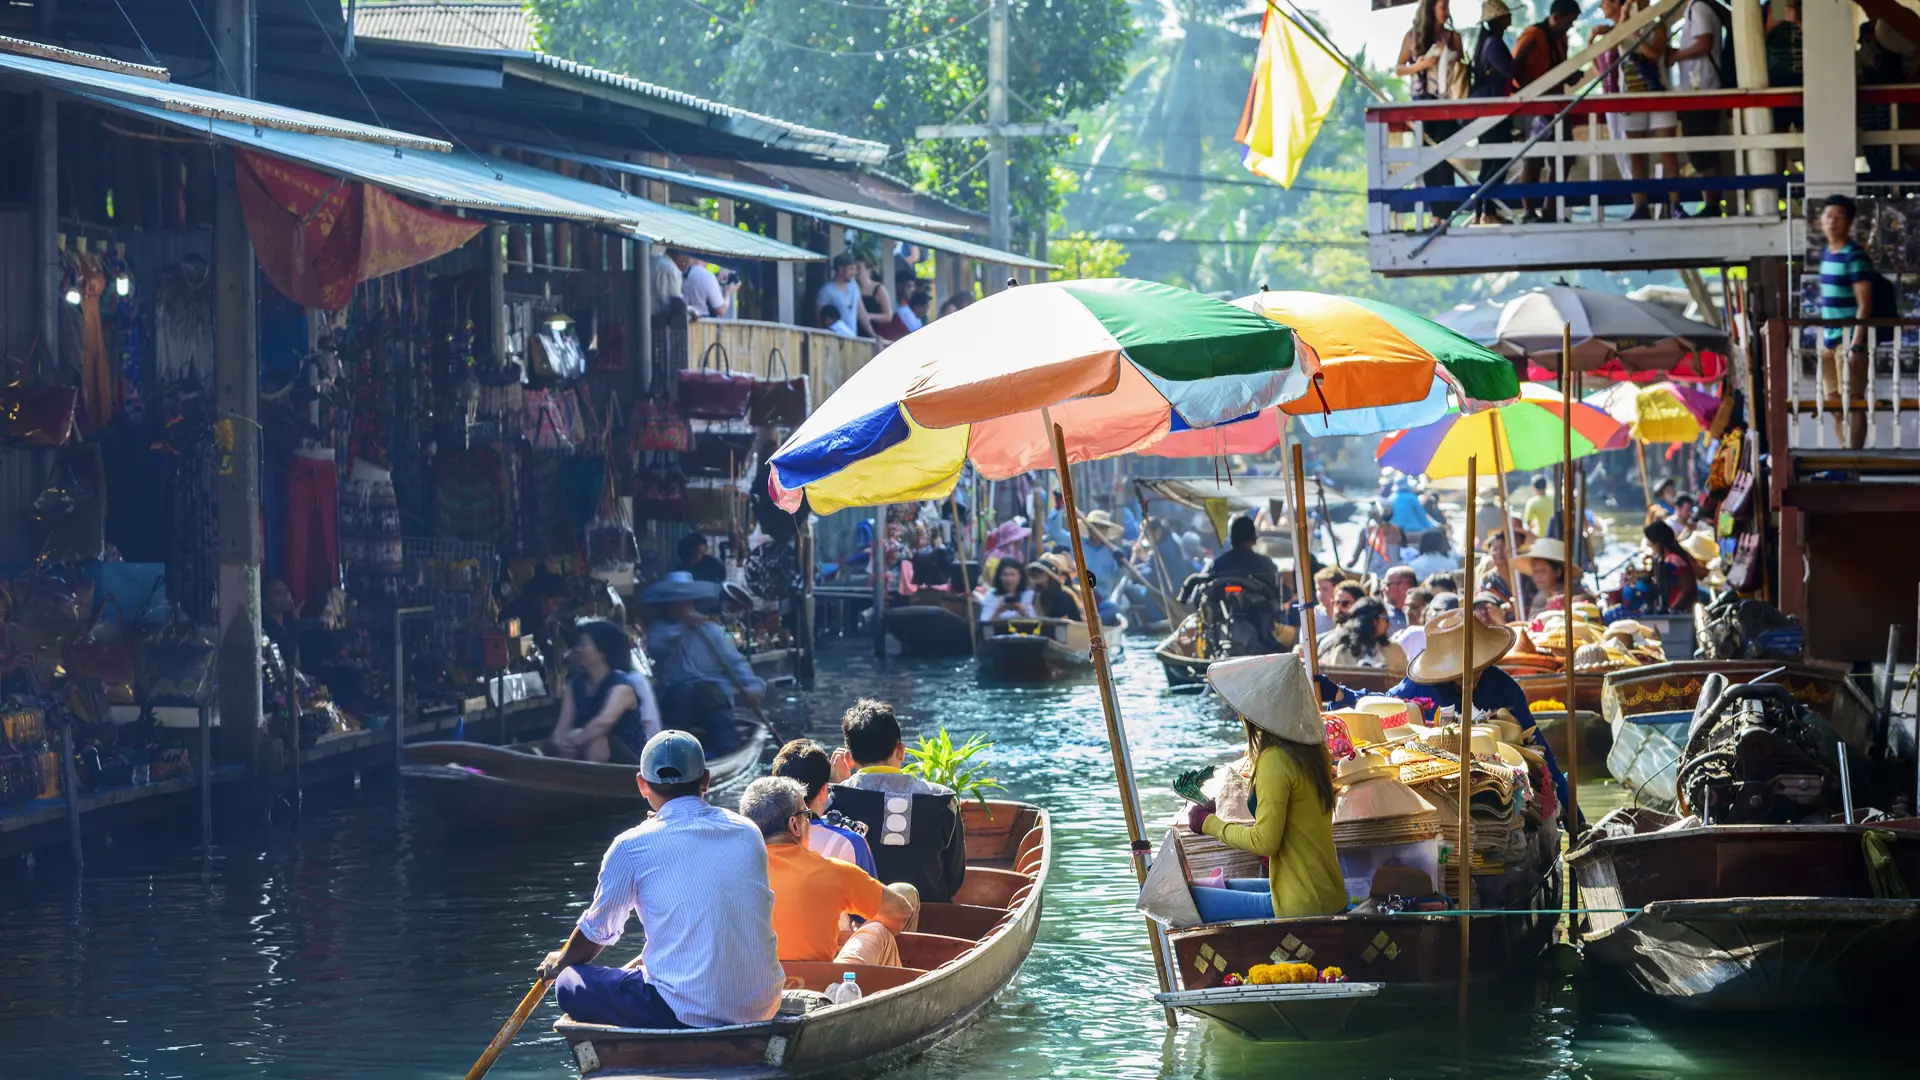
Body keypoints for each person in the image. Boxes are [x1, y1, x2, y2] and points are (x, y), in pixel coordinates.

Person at [537, 730, 783, 1030]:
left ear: (642, 785)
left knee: (569, 983)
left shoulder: (630, 845)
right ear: (705, 780)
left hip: (685, 1013)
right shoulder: (747, 831)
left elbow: (598, 933)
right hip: (762, 1005)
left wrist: (561, 962)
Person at [1319, 612, 1570, 821]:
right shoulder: (1422, 684)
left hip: (1498, 785)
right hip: (1439, 785)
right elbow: (1386, 703)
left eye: (1476, 668)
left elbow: (1539, 748)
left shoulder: (1503, 687)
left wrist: (1573, 815)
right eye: (1459, 671)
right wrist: (1340, 694)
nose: (1469, 677)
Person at [1184, 654, 1346, 922]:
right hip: (1326, 894)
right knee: (1209, 888)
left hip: (1301, 906)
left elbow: (1265, 842)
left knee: (1190, 898)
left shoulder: (1275, 759)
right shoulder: (1314, 751)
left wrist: (1208, 823)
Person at [741, 777, 920, 967]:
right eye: (808, 816)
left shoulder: (731, 874)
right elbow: (900, 912)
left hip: (754, 987)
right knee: (883, 928)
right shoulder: (833, 871)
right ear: (794, 825)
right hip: (822, 988)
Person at [826, 699, 968, 903]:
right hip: (930, 915)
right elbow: (954, 878)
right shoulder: (942, 800)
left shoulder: (833, 801)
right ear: (901, 750)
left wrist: (841, 784)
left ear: (850, 758)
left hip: (861, 920)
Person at [642, 571, 763, 755]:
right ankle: (678, 750)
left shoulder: (711, 630)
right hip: (676, 701)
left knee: (709, 693)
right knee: (682, 691)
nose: (683, 607)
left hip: (711, 700)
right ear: (667, 606)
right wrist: (683, 626)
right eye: (677, 602)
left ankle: (727, 747)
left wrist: (753, 688)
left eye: (687, 602)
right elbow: (658, 648)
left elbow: (734, 663)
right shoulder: (658, 631)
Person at [551, 618, 661, 763]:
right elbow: (562, 726)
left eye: (584, 644)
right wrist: (560, 741)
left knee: (597, 740)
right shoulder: (574, 685)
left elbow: (603, 723)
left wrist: (574, 741)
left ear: (602, 650)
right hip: (585, 749)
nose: (578, 649)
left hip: (629, 759)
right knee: (574, 736)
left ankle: (592, 784)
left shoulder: (622, 687)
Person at [1395, 0, 1466, 219]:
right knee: (1427, 159)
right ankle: (1437, 215)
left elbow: (1462, 68)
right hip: (1422, 104)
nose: (1446, 11)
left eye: (1447, 6)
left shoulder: (1453, 37)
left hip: (1448, 104)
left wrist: (1449, 56)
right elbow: (1399, 68)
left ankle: (1446, 214)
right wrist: (1421, 65)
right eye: (1442, 6)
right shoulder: (1412, 36)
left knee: (1444, 157)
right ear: (1430, 8)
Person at [1512, 0, 1581, 222]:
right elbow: (1514, 68)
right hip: (1533, 105)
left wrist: (1572, 74)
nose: (1570, 27)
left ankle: (1550, 209)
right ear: (1557, 17)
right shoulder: (1532, 35)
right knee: (1532, 160)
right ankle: (1529, 211)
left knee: (1563, 158)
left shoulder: (1560, 39)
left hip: (1556, 104)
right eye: (1569, 21)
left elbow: (1559, 67)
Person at [1817, 193, 1874, 449]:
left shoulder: (1855, 256)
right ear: (1821, 221)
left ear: (1849, 222)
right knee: (1833, 402)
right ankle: (1843, 451)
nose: (1833, 222)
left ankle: (1854, 459)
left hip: (1848, 339)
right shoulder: (1828, 255)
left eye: (1840, 218)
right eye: (1829, 216)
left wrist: (1856, 346)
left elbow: (1865, 305)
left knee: (1853, 400)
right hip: (1828, 340)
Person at [770, 738, 876, 876]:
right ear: (824, 791)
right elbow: (872, 896)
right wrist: (841, 786)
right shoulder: (852, 843)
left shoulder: (759, 839)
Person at [1672, 0, 1727, 216]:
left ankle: (1712, 204)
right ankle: (1712, 202)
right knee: (1703, 149)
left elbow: (1704, 43)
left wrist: (1676, 56)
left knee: (1701, 151)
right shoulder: (1697, 9)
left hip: (1702, 89)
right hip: (1701, 88)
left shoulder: (1698, 9)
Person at [1469, 0, 1516, 224]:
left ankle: (1483, 211)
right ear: (1499, 20)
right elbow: (1509, 69)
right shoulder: (1494, 44)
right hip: (1494, 109)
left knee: (1490, 161)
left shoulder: (1486, 43)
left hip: (1487, 109)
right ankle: (1487, 209)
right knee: (1499, 159)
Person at [1318, 597, 1409, 674]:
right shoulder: (1343, 652)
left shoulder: (1395, 649)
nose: (1389, 624)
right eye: (1385, 619)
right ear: (1372, 621)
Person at [1208, 514, 1282, 590]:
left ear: (1231, 539)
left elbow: (1203, 586)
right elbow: (1284, 593)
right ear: (1254, 539)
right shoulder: (1266, 565)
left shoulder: (1217, 564)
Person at [1644, 519, 1702, 613]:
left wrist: (1673, 608)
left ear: (1659, 543)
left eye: (1652, 543)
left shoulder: (1673, 560)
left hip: (1681, 611)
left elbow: (1686, 587)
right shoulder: (1664, 559)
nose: (1650, 546)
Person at [1513, 537, 1571, 618]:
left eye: (1543, 571)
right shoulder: (1540, 596)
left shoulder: (1571, 591)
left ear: (1558, 571)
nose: (1538, 576)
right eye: (1535, 571)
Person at [672, 250, 737, 320]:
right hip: (705, 325)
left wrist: (716, 279)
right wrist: (728, 292)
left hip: (685, 321)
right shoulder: (707, 276)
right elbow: (721, 310)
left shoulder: (682, 272)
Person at [978, 558, 1035, 623]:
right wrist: (999, 610)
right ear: (999, 576)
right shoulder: (991, 595)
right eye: (1005, 575)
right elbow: (985, 623)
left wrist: (1023, 612)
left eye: (1012, 575)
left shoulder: (1029, 595)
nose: (1009, 579)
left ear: (1020, 576)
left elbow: (1037, 622)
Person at [1026, 557, 1083, 621]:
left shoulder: (1064, 596)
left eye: (1040, 571)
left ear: (1050, 575)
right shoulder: (1030, 594)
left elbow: (1076, 620)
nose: (1036, 573)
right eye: (1033, 571)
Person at [815, 253, 861, 331]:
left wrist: (873, 334)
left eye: (855, 269)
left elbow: (862, 313)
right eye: (851, 269)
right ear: (840, 269)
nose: (854, 273)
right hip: (836, 339)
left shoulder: (854, 285)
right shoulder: (826, 290)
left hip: (853, 338)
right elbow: (818, 317)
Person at [852, 257, 894, 339]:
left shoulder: (879, 289)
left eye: (859, 267)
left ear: (868, 269)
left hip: (875, 332)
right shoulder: (853, 287)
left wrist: (869, 316)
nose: (856, 271)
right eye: (854, 268)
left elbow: (888, 316)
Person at [649, 249, 687, 323]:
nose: (689, 261)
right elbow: (675, 302)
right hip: (659, 322)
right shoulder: (672, 269)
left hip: (638, 318)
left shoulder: (649, 260)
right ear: (680, 255)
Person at [1380, 564, 1420, 632]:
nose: (1382, 588)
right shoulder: (1379, 615)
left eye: (1388, 584)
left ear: (1404, 586)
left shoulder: (1424, 615)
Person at [1522, 475, 1554, 539]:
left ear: (1533, 487)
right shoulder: (1554, 499)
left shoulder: (1532, 502)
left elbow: (1527, 524)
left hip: (1540, 538)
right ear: (1546, 486)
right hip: (1555, 536)